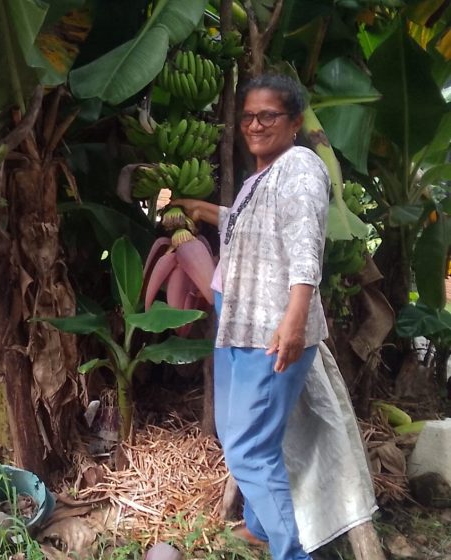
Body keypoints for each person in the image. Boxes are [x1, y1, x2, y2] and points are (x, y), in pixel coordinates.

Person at [172, 74, 330, 560]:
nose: (255, 125)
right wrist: (201, 208)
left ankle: (291, 552)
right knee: (243, 432)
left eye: (269, 116)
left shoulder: (300, 168)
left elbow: (306, 248)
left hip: (271, 325)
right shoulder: (264, 174)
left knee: (247, 447)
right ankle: (261, 526)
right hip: (239, 319)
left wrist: (294, 319)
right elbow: (250, 224)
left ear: (295, 123)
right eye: (248, 116)